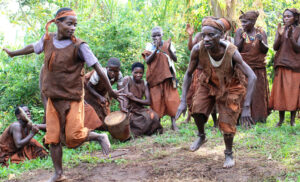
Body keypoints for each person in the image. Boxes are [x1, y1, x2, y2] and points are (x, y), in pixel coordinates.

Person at [3, 8, 115, 181]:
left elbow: (98, 68)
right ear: (57, 23)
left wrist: (111, 90)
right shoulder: (47, 40)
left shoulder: (80, 46)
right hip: (53, 100)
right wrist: (13, 53)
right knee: (53, 138)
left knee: (73, 137)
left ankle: (100, 136)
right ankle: (59, 173)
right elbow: (33, 47)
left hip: (73, 99)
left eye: (75, 25)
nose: (73, 28)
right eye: (69, 24)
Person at [176, 17, 257, 168]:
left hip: (230, 86)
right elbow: (188, 74)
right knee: (197, 109)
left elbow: (252, 76)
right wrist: (182, 101)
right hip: (209, 82)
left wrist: (246, 107)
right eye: (203, 35)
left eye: (211, 35)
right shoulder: (197, 49)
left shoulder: (231, 51)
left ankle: (228, 153)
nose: (206, 39)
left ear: (220, 36)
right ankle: (201, 135)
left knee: (227, 122)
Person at [184, 17, 232, 126]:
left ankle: (218, 121)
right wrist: (190, 36)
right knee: (195, 97)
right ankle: (194, 119)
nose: (206, 38)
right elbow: (191, 48)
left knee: (219, 98)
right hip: (200, 72)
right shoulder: (199, 38)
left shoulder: (226, 42)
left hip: (217, 74)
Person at [142, 26, 180, 131]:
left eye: (158, 35)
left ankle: (173, 123)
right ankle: (158, 125)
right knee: (156, 101)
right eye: (154, 36)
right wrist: (156, 49)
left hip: (168, 77)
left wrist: (168, 50)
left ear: (162, 35)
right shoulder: (149, 46)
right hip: (154, 79)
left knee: (171, 99)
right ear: (151, 37)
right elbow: (148, 61)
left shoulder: (168, 44)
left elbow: (175, 59)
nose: (156, 37)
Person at [234, 11, 270, 123]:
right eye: (242, 22)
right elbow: (236, 49)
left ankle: (257, 117)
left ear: (253, 21)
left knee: (257, 92)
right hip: (243, 68)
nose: (243, 24)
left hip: (258, 67)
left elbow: (265, 49)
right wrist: (242, 39)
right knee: (242, 92)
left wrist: (260, 41)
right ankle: (239, 117)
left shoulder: (260, 32)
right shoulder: (239, 31)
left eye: (245, 22)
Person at [269, 8, 300, 127]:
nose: (285, 18)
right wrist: (279, 34)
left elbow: (298, 48)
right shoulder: (281, 29)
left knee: (293, 91)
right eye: (284, 16)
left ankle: (292, 120)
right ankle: (281, 120)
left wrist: (291, 37)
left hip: (295, 66)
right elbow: (275, 47)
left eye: (288, 16)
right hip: (281, 63)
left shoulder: (299, 30)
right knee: (280, 92)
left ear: (296, 18)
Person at [120, 62, 163, 137]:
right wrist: (125, 108)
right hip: (130, 109)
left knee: (155, 116)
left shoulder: (144, 83)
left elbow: (148, 102)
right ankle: (136, 133)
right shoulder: (127, 80)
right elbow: (125, 95)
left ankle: (147, 131)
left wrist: (134, 99)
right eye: (136, 72)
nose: (138, 75)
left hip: (140, 108)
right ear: (132, 72)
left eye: (141, 73)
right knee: (138, 121)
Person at [85, 57, 124, 130]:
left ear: (118, 70)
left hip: (102, 92)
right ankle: (87, 131)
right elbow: (89, 86)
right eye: (111, 70)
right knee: (89, 111)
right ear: (106, 68)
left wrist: (122, 104)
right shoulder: (98, 73)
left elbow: (120, 91)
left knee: (104, 114)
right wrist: (99, 97)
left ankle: (102, 129)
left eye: (115, 71)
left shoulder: (119, 75)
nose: (113, 73)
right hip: (88, 90)